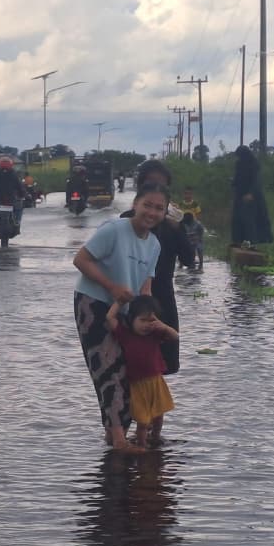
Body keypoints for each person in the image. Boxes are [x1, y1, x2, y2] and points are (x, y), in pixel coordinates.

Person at [73, 183, 170, 450]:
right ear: (135, 204)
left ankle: (114, 435)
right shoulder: (114, 230)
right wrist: (112, 287)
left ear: (164, 213)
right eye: (147, 205)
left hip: (126, 310)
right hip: (93, 303)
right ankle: (118, 440)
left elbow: (145, 288)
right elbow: (80, 260)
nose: (151, 212)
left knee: (130, 370)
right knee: (108, 369)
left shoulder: (154, 244)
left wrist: (150, 321)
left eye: (159, 208)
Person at [119, 160, 195, 375]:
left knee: (162, 366)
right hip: (132, 304)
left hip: (162, 302)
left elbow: (189, 260)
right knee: (130, 366)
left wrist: (178, 228)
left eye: (162, 185)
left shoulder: (172, 226)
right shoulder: (125, 222)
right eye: (150, 184)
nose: (156, 189)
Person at [107, 295, 179, 448]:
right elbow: (110, 318)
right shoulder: (126, 335)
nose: (146, 325)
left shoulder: (155, 334)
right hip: (137, 385)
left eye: (150, 320)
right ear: (132, 319)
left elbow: (175, 336)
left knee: (159, 415)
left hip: (156, 382)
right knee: (143, 421)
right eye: (142, 320)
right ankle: (141, 444)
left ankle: (156, 437)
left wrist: (163, 326)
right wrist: (119, 302)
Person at [230, 144, 273, 247]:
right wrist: (233, 181)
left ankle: (254, 242)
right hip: (240, 195)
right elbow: (238, 178)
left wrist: (251, 193)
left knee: (251, 220)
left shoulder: (254, 163)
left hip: (253, 197)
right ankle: (239, 241)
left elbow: (256, 180)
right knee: (238, 219)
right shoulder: (239, 164)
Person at [0, 156, 26, 234]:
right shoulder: (14, 174)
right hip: (11, 198)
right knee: (18, 209)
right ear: (11, 164)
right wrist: (22, 194)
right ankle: (17, 222)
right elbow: (19, 186)